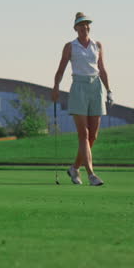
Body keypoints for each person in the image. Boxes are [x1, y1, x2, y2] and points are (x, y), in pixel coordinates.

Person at [51, 12, 111, 186]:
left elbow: (102, 69)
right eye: (81, 25)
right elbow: (60, 69)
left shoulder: (97, 45)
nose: (85, 27)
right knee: (83, 134)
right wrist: (55, 87)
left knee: (93, 135)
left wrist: (109, 90)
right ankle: (91, 174)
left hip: (96, 87)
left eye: (87, 24)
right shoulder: (70, 46)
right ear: (75, 28)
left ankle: (74, 168)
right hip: (78, 87)